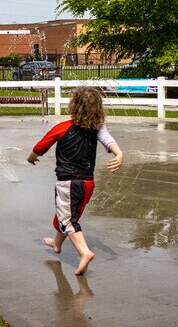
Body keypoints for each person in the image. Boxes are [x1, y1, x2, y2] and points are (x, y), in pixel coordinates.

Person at [27, 86, 123, 275]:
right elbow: (108, 139)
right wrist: (119, 154)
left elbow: (40, 146)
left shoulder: (62, 127)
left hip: (67, 183)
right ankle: (57, 242)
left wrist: (31, 157)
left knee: (68, 219)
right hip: (88, 183)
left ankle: (84, 252)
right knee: (70, 215)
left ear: (74, 106)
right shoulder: (97, 128)